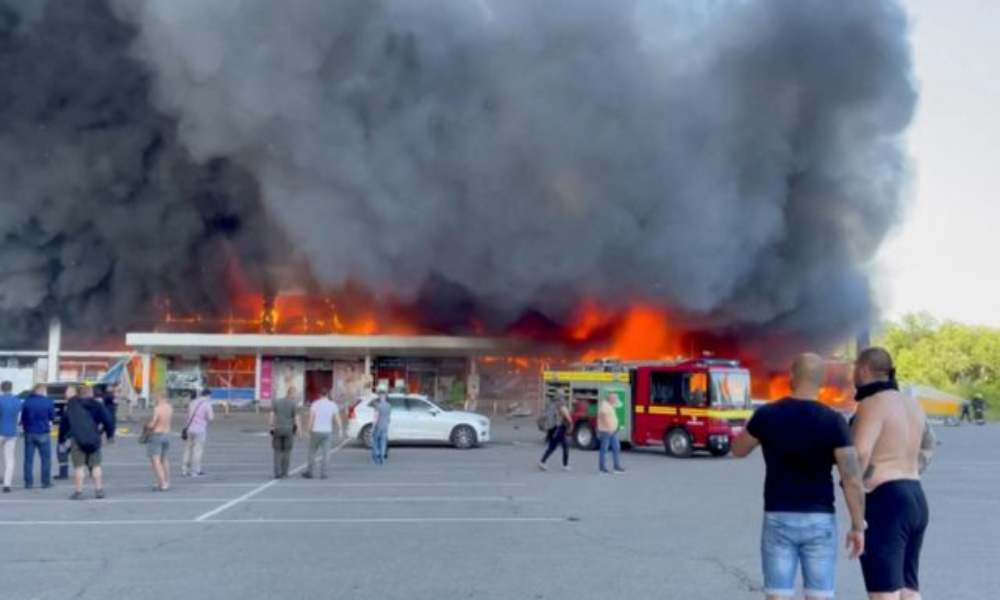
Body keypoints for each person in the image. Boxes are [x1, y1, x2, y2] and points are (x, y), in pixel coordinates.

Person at [732, 353, 866, 600]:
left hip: (778, 517)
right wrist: (858, 526)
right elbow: (852, 479)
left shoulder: (767, 415)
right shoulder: (834, 421)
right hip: (819, 518)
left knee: (778, 595)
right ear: (822, 382)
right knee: (820, 596)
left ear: (791, 376)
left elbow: (738, 450)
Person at [851, 347, 933, 600]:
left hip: (887, 502)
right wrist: (904, 469)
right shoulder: (912, 404)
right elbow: (928, 448)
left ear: (863, 369)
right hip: (916, 497)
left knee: (884, 591)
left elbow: (860, 455)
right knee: (908, 589)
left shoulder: (871, 404)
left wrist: (861, 486)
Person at [58, 384, 114, 500]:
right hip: (94, 438)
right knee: (96, 466)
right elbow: (108, 420)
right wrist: (109, 435)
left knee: (79, 467)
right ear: (91, 393)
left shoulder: (72, 406)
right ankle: (99, 490)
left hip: (77, 439)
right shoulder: (98, 405)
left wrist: (62, 439)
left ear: (79, 394)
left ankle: (79, 492)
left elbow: (64, 424)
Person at [21, 384, 55, 489]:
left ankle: (28, 483)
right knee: (45, 459)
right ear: (43, 390)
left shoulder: (27, 402)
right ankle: (45, 482)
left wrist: (26, 427)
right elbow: (52, 416)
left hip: (30, 432)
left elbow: (23, 418)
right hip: (43, 432)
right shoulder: (48, 401)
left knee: (28, 460)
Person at [303, 390, 342, 479]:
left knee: (312, 452)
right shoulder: (333, 405)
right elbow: (337, 418)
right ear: (327, 394)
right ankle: (323, 473)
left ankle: (310, 472)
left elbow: (311, 419)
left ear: (319, 395)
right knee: (326, 453)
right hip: (327, 431)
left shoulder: (315, 404)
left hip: (316, 431)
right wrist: (340, 429)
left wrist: (308, 430)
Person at [145, 394, 174, 492]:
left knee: (155, 461)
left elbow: (153, 423)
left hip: (157, 435)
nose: (154, 399)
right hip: (167, 434)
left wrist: (147, 426)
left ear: (160, 397)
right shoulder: (169, 408)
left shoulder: (157, 409)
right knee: (164, 459)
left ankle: (162, 483)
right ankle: (167, 481)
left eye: (155, 398)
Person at [270, 388, 301, 479]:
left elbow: (271, 415)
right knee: (287, 452)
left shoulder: (277, 402)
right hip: (288, 430)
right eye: (295, 394)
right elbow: (296, 419)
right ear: (291, 394)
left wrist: (271, 426)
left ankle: (277, 473)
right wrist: (299, 432)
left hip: (278, 429)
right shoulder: (293, 404)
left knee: (277, 451)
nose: (296, 396)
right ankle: (285, 472)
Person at [182, 389, 214, 478]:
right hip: (200, 430)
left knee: (188, 449)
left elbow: (188, 415)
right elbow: (210, 418)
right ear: (208, 395)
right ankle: (195, 470)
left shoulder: (192, 402)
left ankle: (184, 469)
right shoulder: (207, 404)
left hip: (189, 429)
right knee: (197, 451)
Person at [537, 395, 572, 472]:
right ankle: (564, 465)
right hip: (560, 430)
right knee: (560, 447)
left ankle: (543, 462)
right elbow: (569, 419)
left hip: (554, 430)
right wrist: (570, 425)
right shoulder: (562, 408)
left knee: (557, 447)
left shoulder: (553, 407)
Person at [0, 381, 23, 493]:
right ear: (11, 388)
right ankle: (7, 484)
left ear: (1, 388)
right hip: (12, 432)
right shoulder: (17, 401)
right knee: (9, 459)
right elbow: (19, 418)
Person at [597, 391, 625, 474]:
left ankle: (616, 466)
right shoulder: (604, 406)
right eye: (614, 398)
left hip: (613, 431)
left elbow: (620, 404)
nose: (616, 400)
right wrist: (609, 428)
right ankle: (602, 468)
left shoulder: (610, 405)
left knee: (616, 447)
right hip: (606, 431)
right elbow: (604, 417)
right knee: (604, 449)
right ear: (610, 398)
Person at [54, 385, 76, 480]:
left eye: (67, 392)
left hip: (68, 435)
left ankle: (63, 473)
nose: (65, 394)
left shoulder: (72, 404)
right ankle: (92, 470)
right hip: (74, 434)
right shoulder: (75, 403)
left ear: (73, 393)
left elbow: (67, 421)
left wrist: (63, 436)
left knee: (61, 452)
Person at [371, 389, 391, 466]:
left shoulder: (378, 406)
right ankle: (382, 456)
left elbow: (376, 417)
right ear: (385, 397)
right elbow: (389, 417)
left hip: (378, 426)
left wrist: (373, 427)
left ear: (381, 397)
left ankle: (377, 454)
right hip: (385, 426)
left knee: (375, 441)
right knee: (383, 441)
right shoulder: (389, 406)